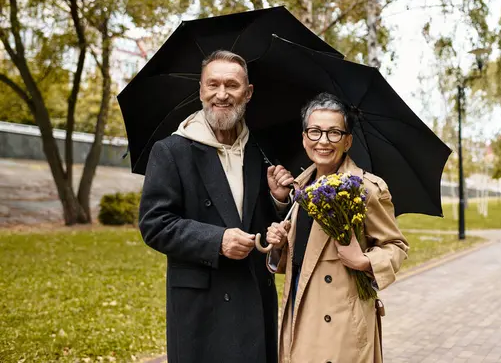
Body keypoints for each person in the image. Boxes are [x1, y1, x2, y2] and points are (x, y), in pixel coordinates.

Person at [139, 50, 293, 363]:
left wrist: (277, 200)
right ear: (201, 90)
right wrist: (217, 240)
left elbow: (260, 226)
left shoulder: (259, 151)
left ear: (247, 93)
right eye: (213, 85)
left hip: (254, 297)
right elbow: (155, 224)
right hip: (201, 305)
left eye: (232, 86)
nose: (221, 94)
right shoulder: (171, 151)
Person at [266, 93, 409, 363]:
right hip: (299, 315)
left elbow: (397, 247)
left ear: (347, 141)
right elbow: (300, 263)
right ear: (304, 137)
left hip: (342, 326)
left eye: (334, 133)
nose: (323, 141)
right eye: (315, 131)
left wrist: (364, 260)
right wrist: (279, 242)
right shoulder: (299, 189)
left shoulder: (365, 188)